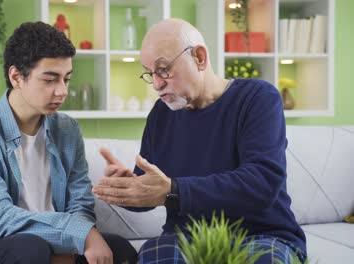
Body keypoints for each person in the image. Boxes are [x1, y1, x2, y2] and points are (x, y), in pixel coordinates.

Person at [92, 18, 306, 263]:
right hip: (186, 238)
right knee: (154, 253)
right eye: (151, 73)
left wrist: (173, 190)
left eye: (163, 69)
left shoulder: (258, 98)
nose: (157, 84)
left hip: (262, 236)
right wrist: (131, 188)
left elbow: (262, 183)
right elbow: (155, 192)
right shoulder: (160, 114)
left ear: (199, 58)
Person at [0, 21, 137, 264]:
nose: (62, 91)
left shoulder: (68, 129)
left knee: (120, 249)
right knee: (29, 250)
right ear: (16, 76)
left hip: (54, 245)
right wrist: (81, 235)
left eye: (66, 79)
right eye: (50, 80)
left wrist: (77, 240)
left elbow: (81, 205)